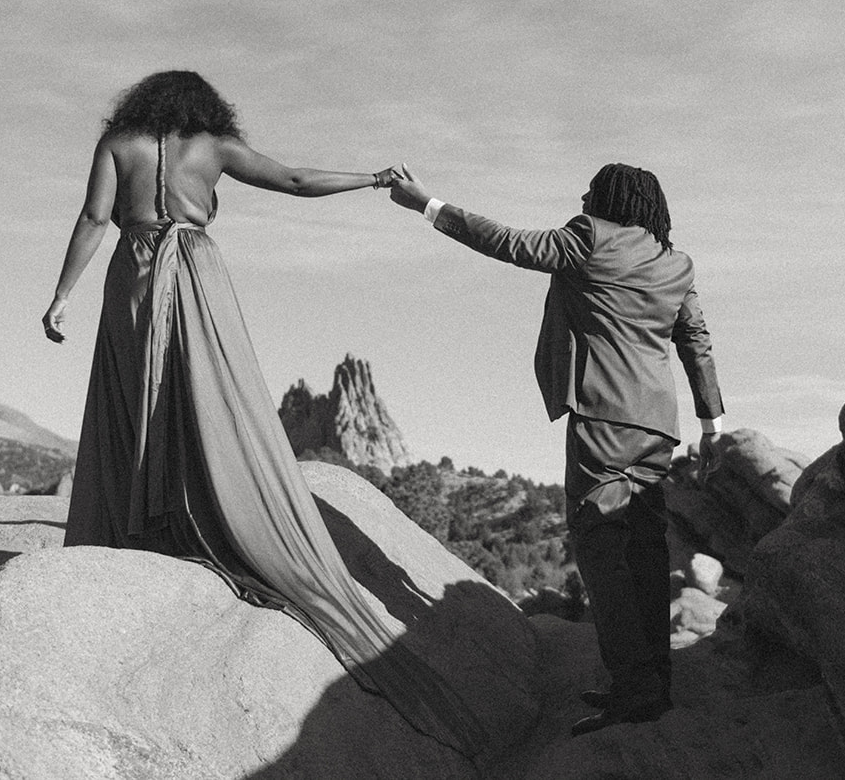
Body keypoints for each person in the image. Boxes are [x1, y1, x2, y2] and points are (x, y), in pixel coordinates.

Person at [42, 71, 484, 753]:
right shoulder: (213, 145)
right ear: (203, 106)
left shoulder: (117, 141)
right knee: (207, 401)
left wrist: (62, 295)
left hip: (131, 272)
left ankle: (140, 525)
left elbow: (95, 218)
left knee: (134, 397)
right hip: (194, 271)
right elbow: (296, 183)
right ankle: (202, 518)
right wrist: (370, 178)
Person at [386, 161, 726, 737]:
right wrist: (713, 420)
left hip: (604, 420)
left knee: (601, 553)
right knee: (644, 555)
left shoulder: (589, 238)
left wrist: (428, 205)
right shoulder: (676, 261)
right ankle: (649, 685)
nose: (584, 196)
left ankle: (633, 693)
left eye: (592, 190)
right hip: (659, 426)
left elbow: (509, 243)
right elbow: (695, 337)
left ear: (610, 200)